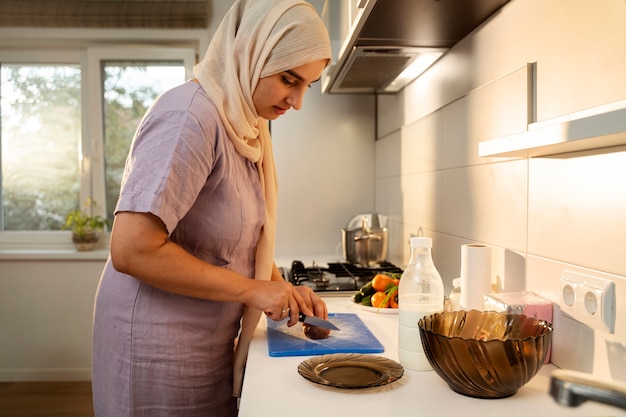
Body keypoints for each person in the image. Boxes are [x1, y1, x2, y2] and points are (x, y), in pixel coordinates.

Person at [91, 0, 332, 415]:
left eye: (307, 84)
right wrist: (255, 291)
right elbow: (132, 249)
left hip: (208, 340)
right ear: (249, 53)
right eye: (289, 79)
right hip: (157, 345)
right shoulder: (189, 117)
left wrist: (283, 290)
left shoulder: (247, 127)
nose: (297, 102)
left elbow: (242, 245)